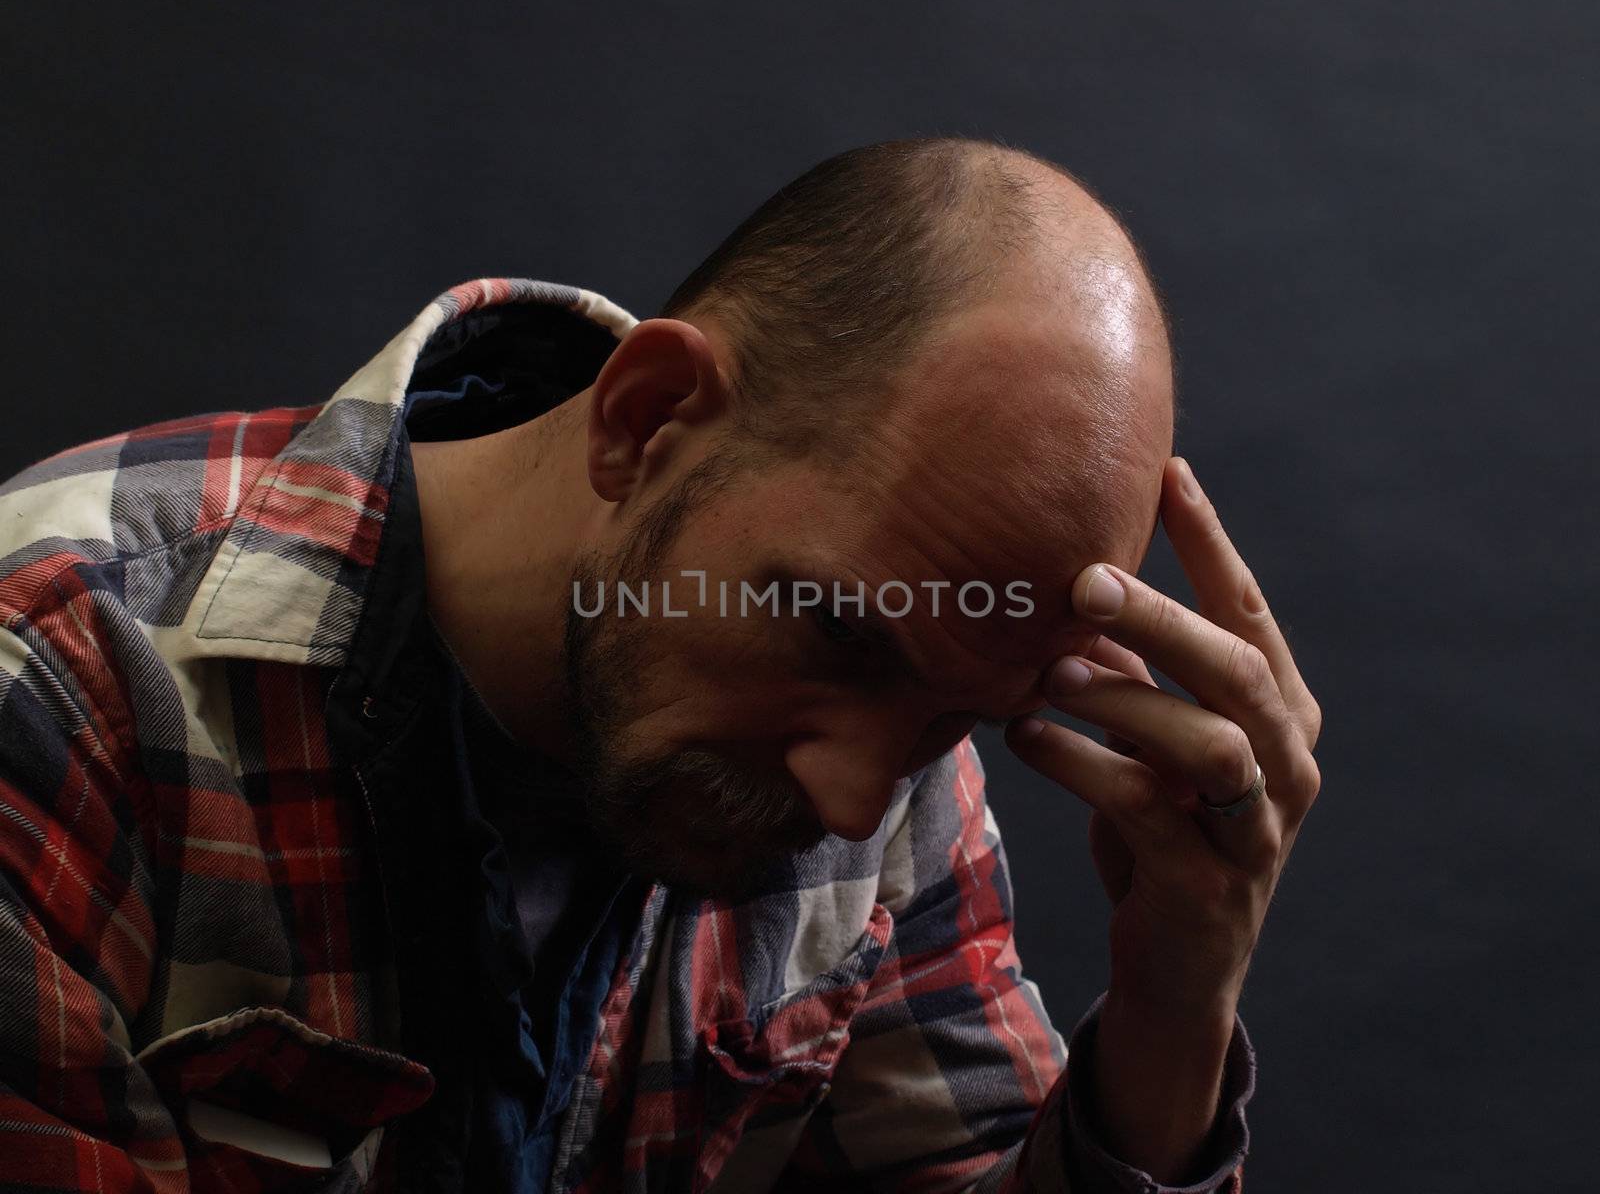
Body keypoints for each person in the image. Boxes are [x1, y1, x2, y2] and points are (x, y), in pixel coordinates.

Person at [0, 137, 1321, 1193]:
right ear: (646, 420)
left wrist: (1174, 1008)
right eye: (835, 631)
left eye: (956, 721)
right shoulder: (62, 689)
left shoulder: (890, 773)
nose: (862, 799)